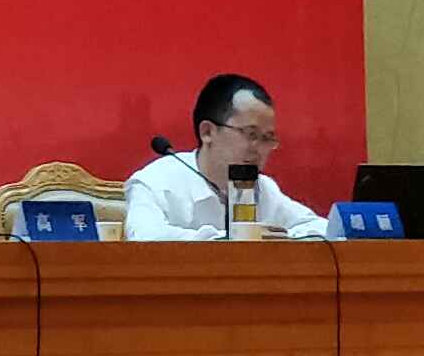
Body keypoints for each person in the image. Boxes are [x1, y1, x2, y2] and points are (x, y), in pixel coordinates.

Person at [124, 73, 329, 240]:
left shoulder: (263, 189)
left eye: (267, 138)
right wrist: (229, 240)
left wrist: (287, 239)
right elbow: (144, 238)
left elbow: (321, 229)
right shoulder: (156, 183)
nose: (259, 149)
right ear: (207, 132)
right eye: (251, 135)